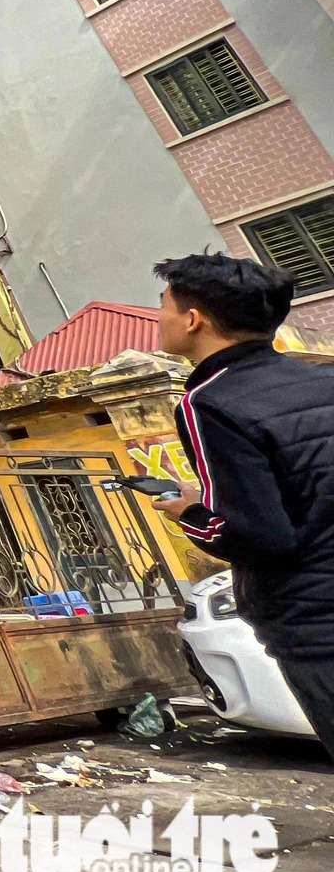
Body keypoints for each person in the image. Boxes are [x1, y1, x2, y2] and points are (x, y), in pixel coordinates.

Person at [151, 251, 334, 756]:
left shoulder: (207, 401)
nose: (158, 318)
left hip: (317, 620)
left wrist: (189, 511)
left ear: (193, 319)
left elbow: (261, 536)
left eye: (163, 305)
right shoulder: (321, 381)